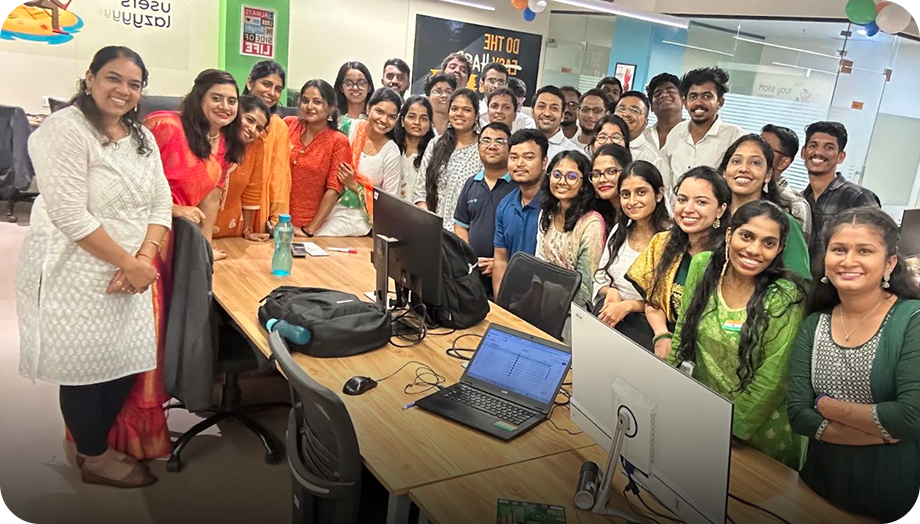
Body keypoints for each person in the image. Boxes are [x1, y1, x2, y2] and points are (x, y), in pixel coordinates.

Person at [17, 45, 168, 487]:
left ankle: (88, 446)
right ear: (90, 78)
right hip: (77, 270)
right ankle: (96, 458)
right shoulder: (65, 129)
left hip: (131, 271)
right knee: (84, 370)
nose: (123, 90)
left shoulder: (141, 137)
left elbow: (161, 200)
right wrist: (129, 262)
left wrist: (143, 259)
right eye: (113, 78)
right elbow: (69, 214)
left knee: (123, 362)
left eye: (134, 84)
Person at [787, 207, 920, 522]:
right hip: (815, 484)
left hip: (889, 496)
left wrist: (825, 406)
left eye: (864, 251)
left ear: (889, 263)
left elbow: (910, 417)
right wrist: (879, 433)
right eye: (839, 249)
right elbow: (797, 415)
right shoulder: (814, 324)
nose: (848, 261)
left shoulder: (912, 319)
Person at [671, 201, 807, 469]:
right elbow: (681, 335)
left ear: (779, 249)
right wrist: (667, 392)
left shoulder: (785, 296)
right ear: (729, 234)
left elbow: (773, 378)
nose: (754, 250)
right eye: (747, 236)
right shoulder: (702, 267)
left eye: (769, 243)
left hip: (757, 430)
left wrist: (727, 429)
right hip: (702, 415)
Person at [627, 167, 731, 356]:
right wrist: (661, 334)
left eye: (701, 202)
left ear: (720, 210)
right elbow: (653, 301)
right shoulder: (662, 244)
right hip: (662, 348)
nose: (688, 209)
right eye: (682, 200)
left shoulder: (730, 257)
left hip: (708, 356)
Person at [146, 69, 246, 260]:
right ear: (199, 98)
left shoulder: (224, 143)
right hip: (144, 228)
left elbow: (211, 200)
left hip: (182, 236)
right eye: (216, 98)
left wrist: (205, 252)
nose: (225, 106)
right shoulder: (164, 125)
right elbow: (130, 181)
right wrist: (174, 209)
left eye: (232, 101)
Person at [594, 161, 670, 349]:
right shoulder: (620, 231)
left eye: (641, 192)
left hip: (649, 332)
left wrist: (628, 305)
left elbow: (669, 301)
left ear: (659, 194)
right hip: (613, 323)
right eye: (625, 194)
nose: (632, 201)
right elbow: (599, 277)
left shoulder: (671, 239)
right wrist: (611, 292)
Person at [719, 134, 811, 279]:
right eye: (736, 161)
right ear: (724, 172)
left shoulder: (785, 223)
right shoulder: (712, 215)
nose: (743, 168)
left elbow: (799, 281)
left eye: (755, 163)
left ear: (768, 175)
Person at [316, 87, 403, 237]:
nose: (384, 120)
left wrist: (353, 184)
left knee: (320, 237)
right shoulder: (347, 127)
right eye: (379, 111)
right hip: (323, 203)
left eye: (391, 117)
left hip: (357, 217)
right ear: (368, 108)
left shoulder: (392, 153)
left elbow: (389, 203)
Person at [801, 121, 880, 277]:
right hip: (804, 284)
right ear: (803, 152)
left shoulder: (857, 197)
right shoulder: (800, 200)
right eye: (813, 145)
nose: (818, 152)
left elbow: (877, 247)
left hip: (842, 283)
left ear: (840, 157)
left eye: (829, 147)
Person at [454, 122, 517, 297]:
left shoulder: (518, 186)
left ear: (510, 148)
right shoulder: (471, 183)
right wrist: (470, 259)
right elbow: (460, 225)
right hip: (473, 277)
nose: (492, 146)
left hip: (508, 277)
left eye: (500, 142)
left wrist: (501, 263)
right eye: (486, 141)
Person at [536, 150, 605, 309]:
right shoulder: (547, 213)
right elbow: (539, 263)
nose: (562, 181)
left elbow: (585, 285)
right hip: (545, 300)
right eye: (557, 175)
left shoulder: (591, 223)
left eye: (572, 176)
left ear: (583, 184)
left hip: (575, 308)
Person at [284, 79, 351, 236]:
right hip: (275, 218)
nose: (309, 106)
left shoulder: (338, 141)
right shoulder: (288, 125)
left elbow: (334, 189)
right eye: (305, 101)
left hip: (307, 224)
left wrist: (309, 230)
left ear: (331, 107)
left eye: (317, 102)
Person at [413, 88, 482, 228]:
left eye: (466, 110)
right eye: (454, 109)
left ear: (476, 115)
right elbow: (420, 189)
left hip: (466, 231)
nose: (459, 114)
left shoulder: (483, 148)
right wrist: (426, 217)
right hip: (431, 228)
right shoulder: (436, 144)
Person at [492, 129, 550, 297]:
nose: (519, 164)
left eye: (528, 157)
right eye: (514, 157)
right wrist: (500, 303)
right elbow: (500, 260)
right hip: (511, 299)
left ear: (544, 162)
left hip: (547, 300)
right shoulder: (505, 205)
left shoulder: (554, 205)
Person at [662, 68, 745, 180]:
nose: (698, 102)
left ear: (720, 102)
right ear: (685, 103)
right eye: (693, 97)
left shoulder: (735, 137)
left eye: (707, 96)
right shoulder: (676, 133)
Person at [241, 59, 292, 233]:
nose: (272, 93)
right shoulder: (231, 115)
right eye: (266, 84)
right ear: (250, 82)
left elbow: (279, 180)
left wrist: (278, 220)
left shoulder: (278, 127)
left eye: (278, 89)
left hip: (256, 208)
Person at [213, 95, 272, 241]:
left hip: (232, 231)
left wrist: (248, 231)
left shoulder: (256, 146)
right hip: (197, 228)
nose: (252, 129)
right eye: (249, 120)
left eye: (259, 128)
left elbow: (252, 190)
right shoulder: (212, 137)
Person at [614, 91, 672, 199]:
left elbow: (665, 200)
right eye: (621, 109)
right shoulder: (601, 146)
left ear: (645, 122)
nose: (626, 114)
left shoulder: (655, 159)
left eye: (634, 110)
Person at [761, 124, 811, 241]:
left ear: (784, 162)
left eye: (766, 149)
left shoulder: (795, 205)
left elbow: (796, 249)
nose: (756, 152)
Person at [394, 95, 434, 202]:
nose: (417, 122)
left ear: (430, 124)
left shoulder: (433, 155)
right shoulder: (392, 148)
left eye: (423, 119)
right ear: (402, 121)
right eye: (411, 117)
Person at [588, 143, 632, 226]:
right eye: (596, 174)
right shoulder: (593, 214)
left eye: (611, 172)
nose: (602, 180)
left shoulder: (638, 211)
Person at [532, 85, 578, 161]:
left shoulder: (575, 154)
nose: (547, 113)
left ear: (562, 116)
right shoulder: (518, 146)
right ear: (532, 112)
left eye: (554, 108)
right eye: (541, 106)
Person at [333, 61, 375, 136]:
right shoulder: (334, 120)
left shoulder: (375, 120)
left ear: (369, 87)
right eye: (348, 83)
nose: (355, 88)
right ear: (341, 88)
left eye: (361, 83)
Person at [644, 73, 683, 150]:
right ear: (651, 107)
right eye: (658, 94)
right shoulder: (642, 138)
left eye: (671, 91)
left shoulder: (695, 133)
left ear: (683, 100)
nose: (664, 95)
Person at [571, 88, 607, 155]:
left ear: (606, 114)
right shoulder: (566, 147)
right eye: (585, 110)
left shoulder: (609, 150)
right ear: (578, 113)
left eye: (597, 111)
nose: (590, 115)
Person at [424, 72, 457, 136]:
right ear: (428, 97)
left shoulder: (459, 127)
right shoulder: (422, 125)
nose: (444, 95)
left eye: (448, 92)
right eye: (438, 91)